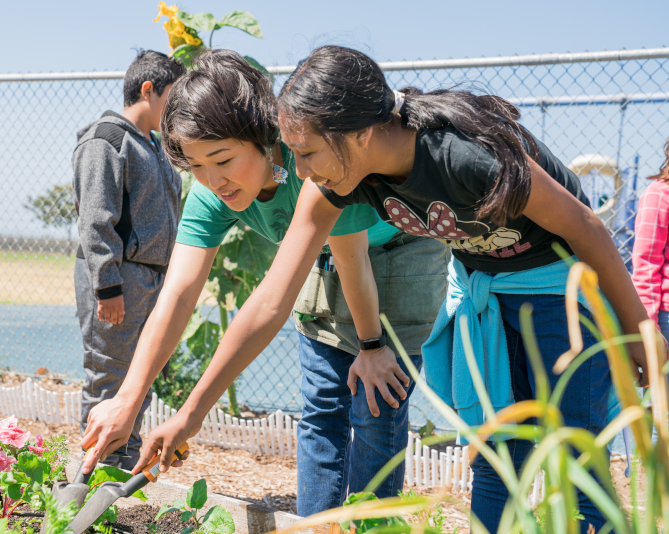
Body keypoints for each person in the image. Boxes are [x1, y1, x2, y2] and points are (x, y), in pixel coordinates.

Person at [137, 46, 662, 533]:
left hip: (560, 290)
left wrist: (639, 330)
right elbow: (272, 300)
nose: (299, 171)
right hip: (486, 291)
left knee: (578, 467)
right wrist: (189, 415)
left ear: (360, 134)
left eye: (308, 153)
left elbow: (586, 228)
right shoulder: (337, 179)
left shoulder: (463, 157)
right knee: (497, 455)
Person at [78, 50, 449, 513]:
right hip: (323, 248)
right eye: (195, 166)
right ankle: (315, 524)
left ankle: (371, 523)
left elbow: (278, 299)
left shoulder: (313, 164)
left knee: (374, 403)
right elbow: (177, 294)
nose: (213, 180)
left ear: (262, 135)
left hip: (393, 248)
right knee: (321, 405)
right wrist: (127, 400)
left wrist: (372, 347)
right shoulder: (212, 191)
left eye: (222, 159)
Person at [73, 49, 185, 471]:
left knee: (140, 378)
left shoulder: (155, 146)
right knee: (108, 376)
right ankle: (94, 471)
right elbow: (96, 219)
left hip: (153, 279)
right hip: (120, 279)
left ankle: (122, 463)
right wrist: (108, 285)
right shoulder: (107, 139)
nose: (178, 108)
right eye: (173, 97)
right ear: (147, 90)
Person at [632, 139, 669, 441]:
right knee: (663, 408)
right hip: (666, 317)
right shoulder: (659, 194)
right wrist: (649, 328)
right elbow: (645, 263)